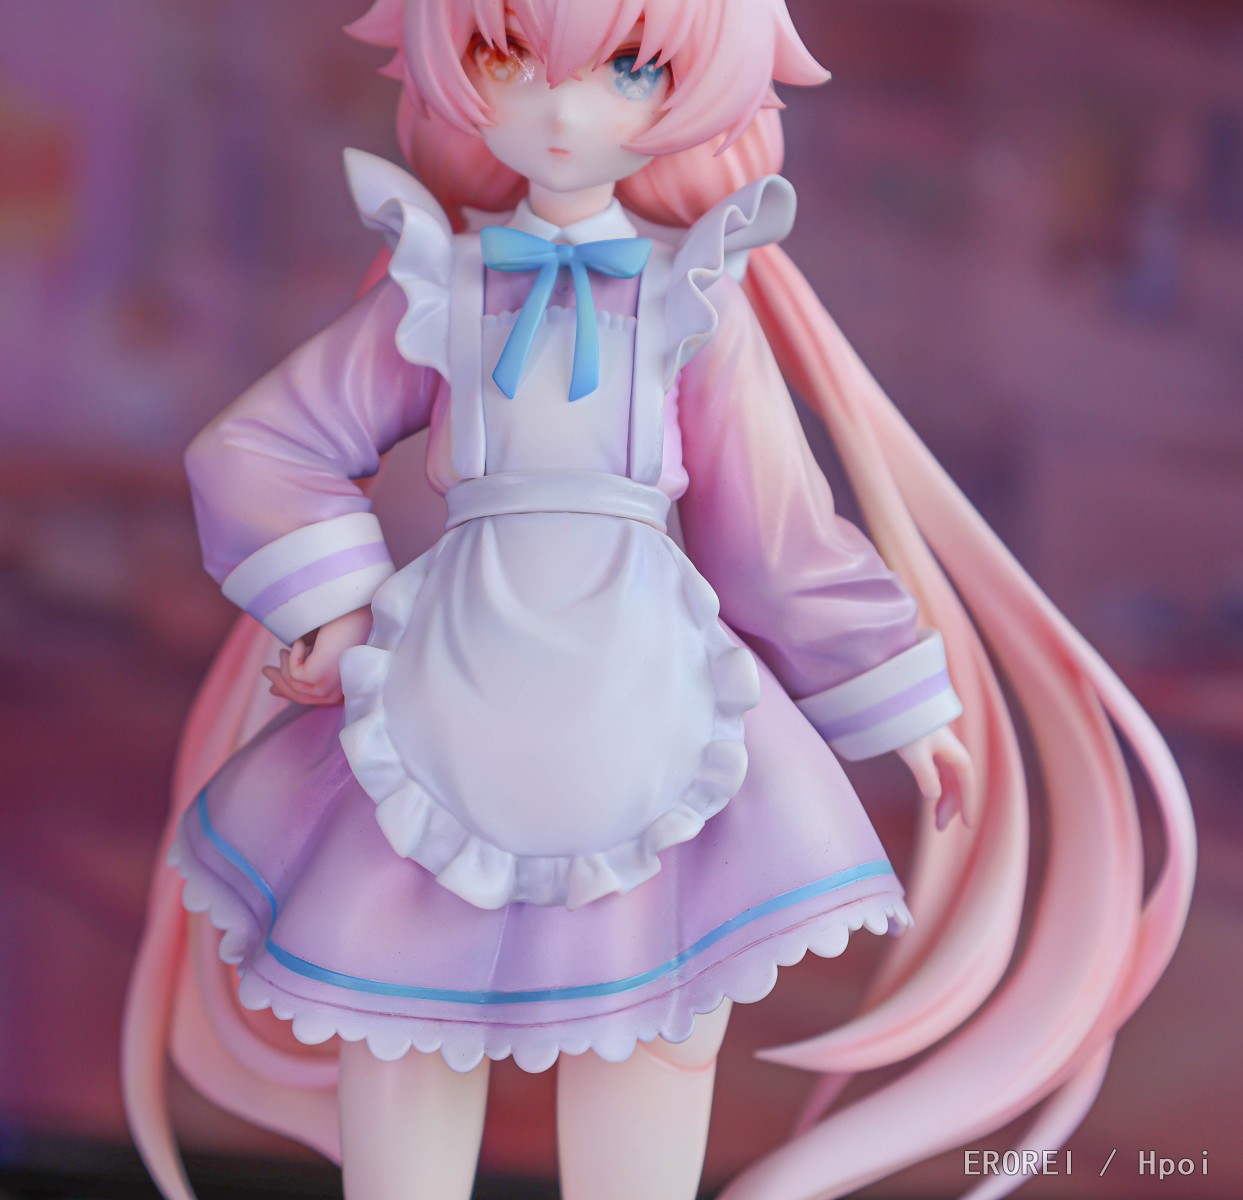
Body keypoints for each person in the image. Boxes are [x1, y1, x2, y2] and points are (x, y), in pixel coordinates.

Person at [123, 2, 1196, 1198]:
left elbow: (771, 532)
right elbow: (262, 447)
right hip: (449, 683)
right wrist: (337, 605)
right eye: (504, 58)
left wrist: (903, 704)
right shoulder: (439, 285)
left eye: (629, 70)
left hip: (646, 690)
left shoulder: (695, 300)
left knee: (653, 1023)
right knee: (407, 1020)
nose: (563, 107)